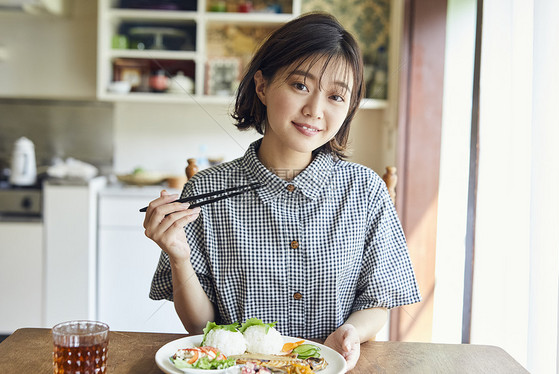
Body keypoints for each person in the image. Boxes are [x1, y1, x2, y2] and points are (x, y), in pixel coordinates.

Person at [144, 12, 421, 371]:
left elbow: (379, 297)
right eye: (300, 86)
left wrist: (352, 330)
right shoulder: (205, 190)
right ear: (262, 86)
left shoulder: (365, 190)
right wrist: (179, 255)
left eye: (336, 96)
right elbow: (200, 326)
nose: (314, 111)